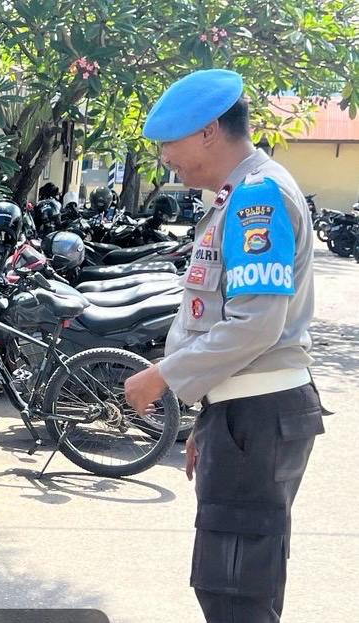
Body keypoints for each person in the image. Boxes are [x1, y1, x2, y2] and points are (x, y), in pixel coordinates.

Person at [124, 68, 325, 623]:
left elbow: (255, 325)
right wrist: (210, 415)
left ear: (209, 131)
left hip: (257, 415)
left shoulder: (257, 198)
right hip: (245, 414)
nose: (165, 157)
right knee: (239, 584)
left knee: (235, 592)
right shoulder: (235, 196)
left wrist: (163, 375)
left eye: (170, 142)